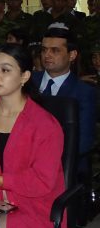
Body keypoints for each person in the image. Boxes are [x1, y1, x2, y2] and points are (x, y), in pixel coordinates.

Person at [0, 44, 75, 228]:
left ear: (24, 76)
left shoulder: (45, 124)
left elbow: (42, 181)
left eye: (5, 70)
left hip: (34, 208)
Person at [30, 28, 96, 157]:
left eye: (55, 50)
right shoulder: (26, 81)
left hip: (64, 163)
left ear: (72, 55)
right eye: (44, 50)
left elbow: (83, 141)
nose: (47, 55)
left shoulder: (84, 92)